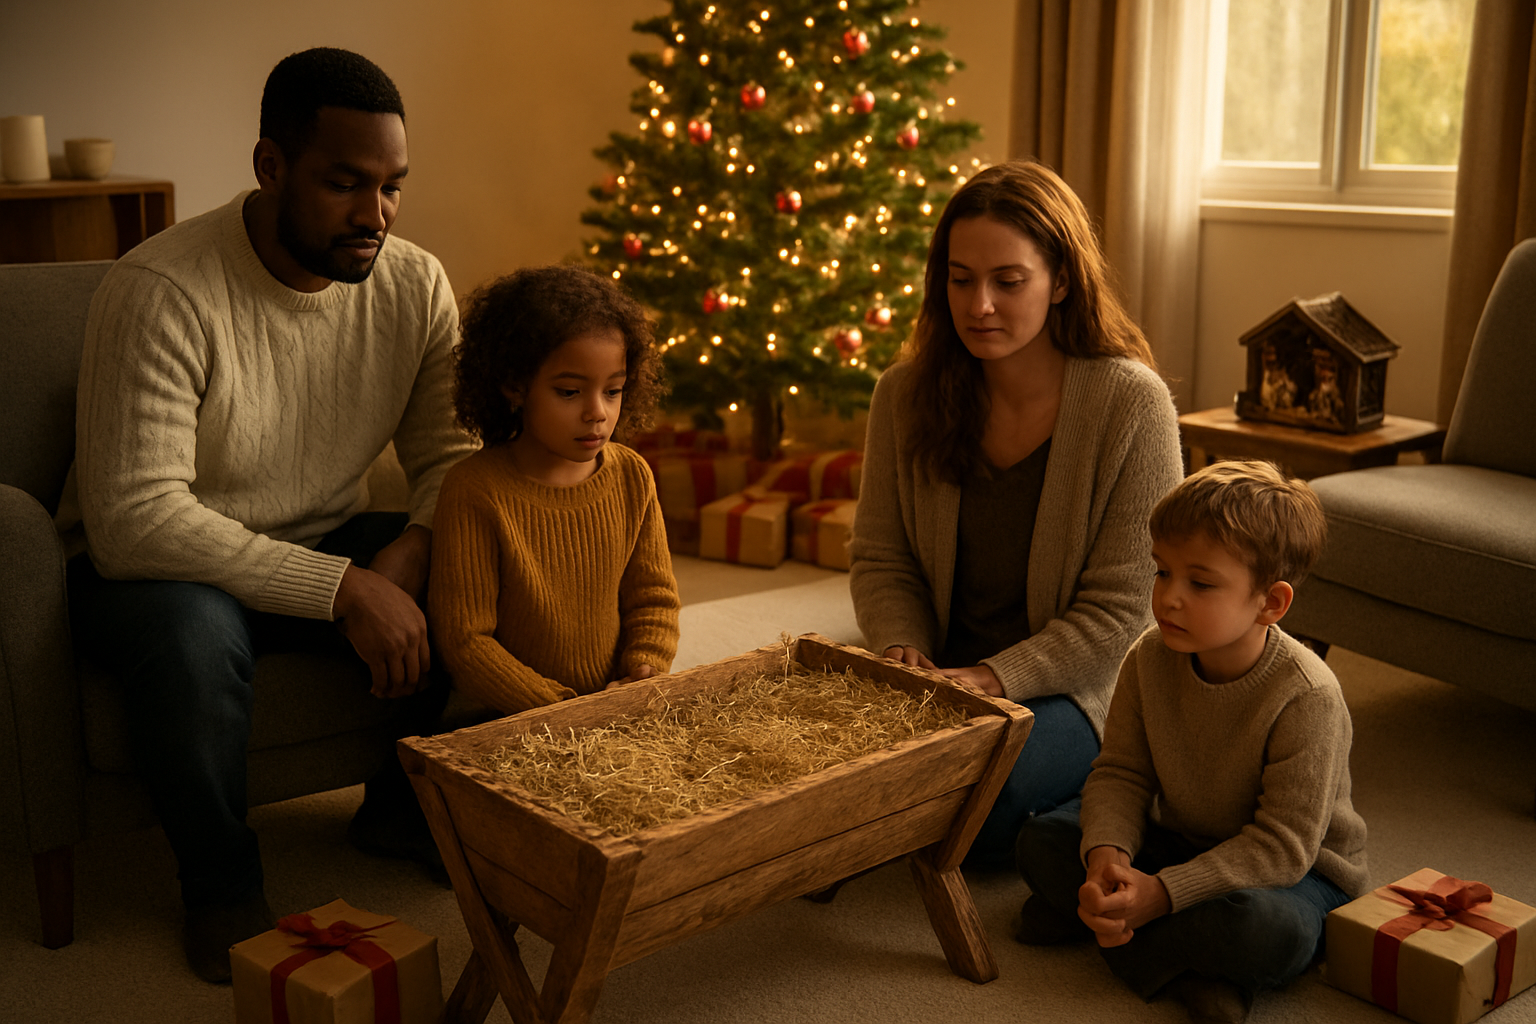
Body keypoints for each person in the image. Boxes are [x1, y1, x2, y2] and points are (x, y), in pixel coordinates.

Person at [65, 48, 475, 981]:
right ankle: (218, 887)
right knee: (192, 636)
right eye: (345, 184)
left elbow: (451, 462)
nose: (375, 216)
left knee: (474, 553)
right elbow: (135, 516)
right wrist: (343, 590)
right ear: (270, 166)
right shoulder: (160, 290)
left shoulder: (413, 285)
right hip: (154, 570)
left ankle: (401, 814)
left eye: (392, 187)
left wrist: (409, 550)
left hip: (322, 536)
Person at [848, 160, 1183, 868]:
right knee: (822, 767)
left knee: (973, 811)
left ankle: (1124, 792)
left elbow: (1125, 613)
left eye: (1009, 280)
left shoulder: (1132, 402)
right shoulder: (903, 395)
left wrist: (995, 679)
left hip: (1077, 688)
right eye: (961, 278)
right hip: (939, 672)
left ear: (1061, 280)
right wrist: (900, 649)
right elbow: (883, 557)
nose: (980, 306)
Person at [1014, 460, 1369, 1024]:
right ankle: (1177, 955)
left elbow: (1283, 847)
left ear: (1270, 603)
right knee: (1042, 839)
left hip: (1293, 875)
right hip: (1178, 839)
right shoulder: (1148, 657)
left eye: (1200, 583)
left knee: (1264, 932)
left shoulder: (1308, 695)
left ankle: (1132, 942)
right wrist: (1110, 857)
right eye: (1162, 572)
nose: (1169, 597)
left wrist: (1159, 894)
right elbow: (1122, 773)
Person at [428, 265, 680, 714]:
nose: (597, 413)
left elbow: (654, 599)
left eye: (614, 390)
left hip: (614, 709)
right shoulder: (474, 489)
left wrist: (643, 670)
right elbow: (466, 642)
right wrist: (561, 710)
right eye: (569, 392)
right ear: (513, 386)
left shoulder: (632, 476)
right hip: (507, 719)